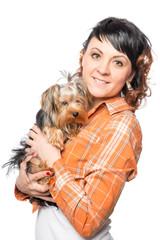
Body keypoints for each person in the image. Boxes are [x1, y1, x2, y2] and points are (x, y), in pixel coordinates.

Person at [15, 17, 153, 239]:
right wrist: (23, 184)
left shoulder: (121, 125)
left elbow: (88, 220)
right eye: (96, 55)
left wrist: (51, 156)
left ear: (132, 74)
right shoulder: (71, 110)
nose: (103, 69)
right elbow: (47, 184)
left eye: (118, 62)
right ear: (83, 58)